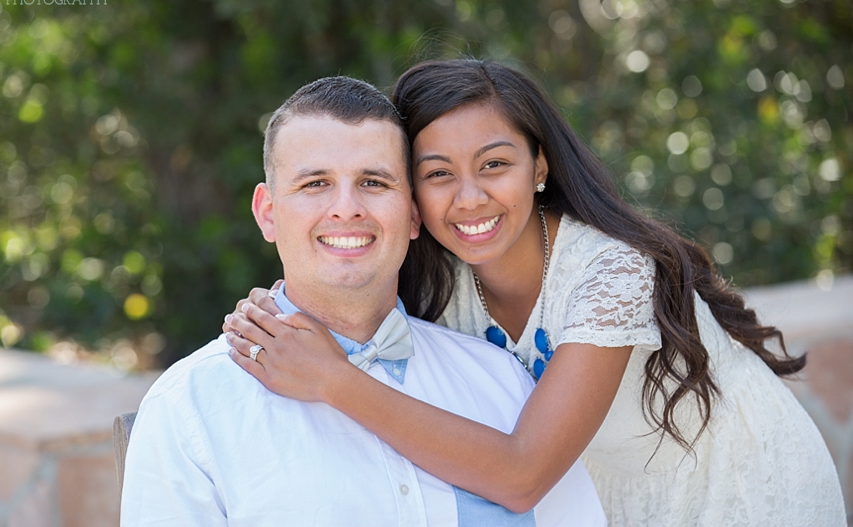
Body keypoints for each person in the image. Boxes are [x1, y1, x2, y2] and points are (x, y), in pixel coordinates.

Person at [225, 60, 846, 526]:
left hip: (744, 489)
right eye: (437, 174)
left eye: (495, 164)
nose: (469, 198)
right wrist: (277, 318)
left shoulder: (611, 273)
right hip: (612, 497)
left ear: (539, 167)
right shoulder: (441, 280)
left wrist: (332, 378)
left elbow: (522, 475)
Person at [121, 75, 606, 526]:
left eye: (374, 183)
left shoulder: (499, 381)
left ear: (413, 214)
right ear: (268, 214)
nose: (347, 207)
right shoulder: (191, 407)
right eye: (316, 184)